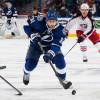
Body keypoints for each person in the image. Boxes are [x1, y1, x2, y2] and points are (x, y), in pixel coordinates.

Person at [23, 10, 72, 89]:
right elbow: (26, 26)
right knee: (30, 65)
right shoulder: (39, 22)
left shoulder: (61, 30)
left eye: (53, 21)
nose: (52, 23)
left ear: (57, 21)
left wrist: (50, 54)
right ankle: (26, 73)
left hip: (50, 47)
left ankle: (63, 79)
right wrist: (32, 35)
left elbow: (56, 44)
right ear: (46, 20)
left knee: (60, 61)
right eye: (50, 21)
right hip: (36, 45)